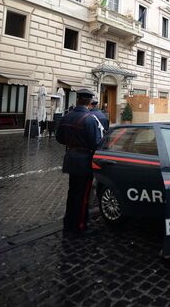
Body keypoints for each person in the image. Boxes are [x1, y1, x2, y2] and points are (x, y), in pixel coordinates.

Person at [56, 89, 103, 236]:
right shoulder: (89, 119)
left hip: (70, 158)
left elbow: (59, 138)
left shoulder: (67, 116)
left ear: (77, 100)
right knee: (82, 196)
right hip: (84, 161)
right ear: (89, 102)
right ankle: (80, 226)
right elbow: (95, 143)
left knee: (72, 193)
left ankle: (68, 223)